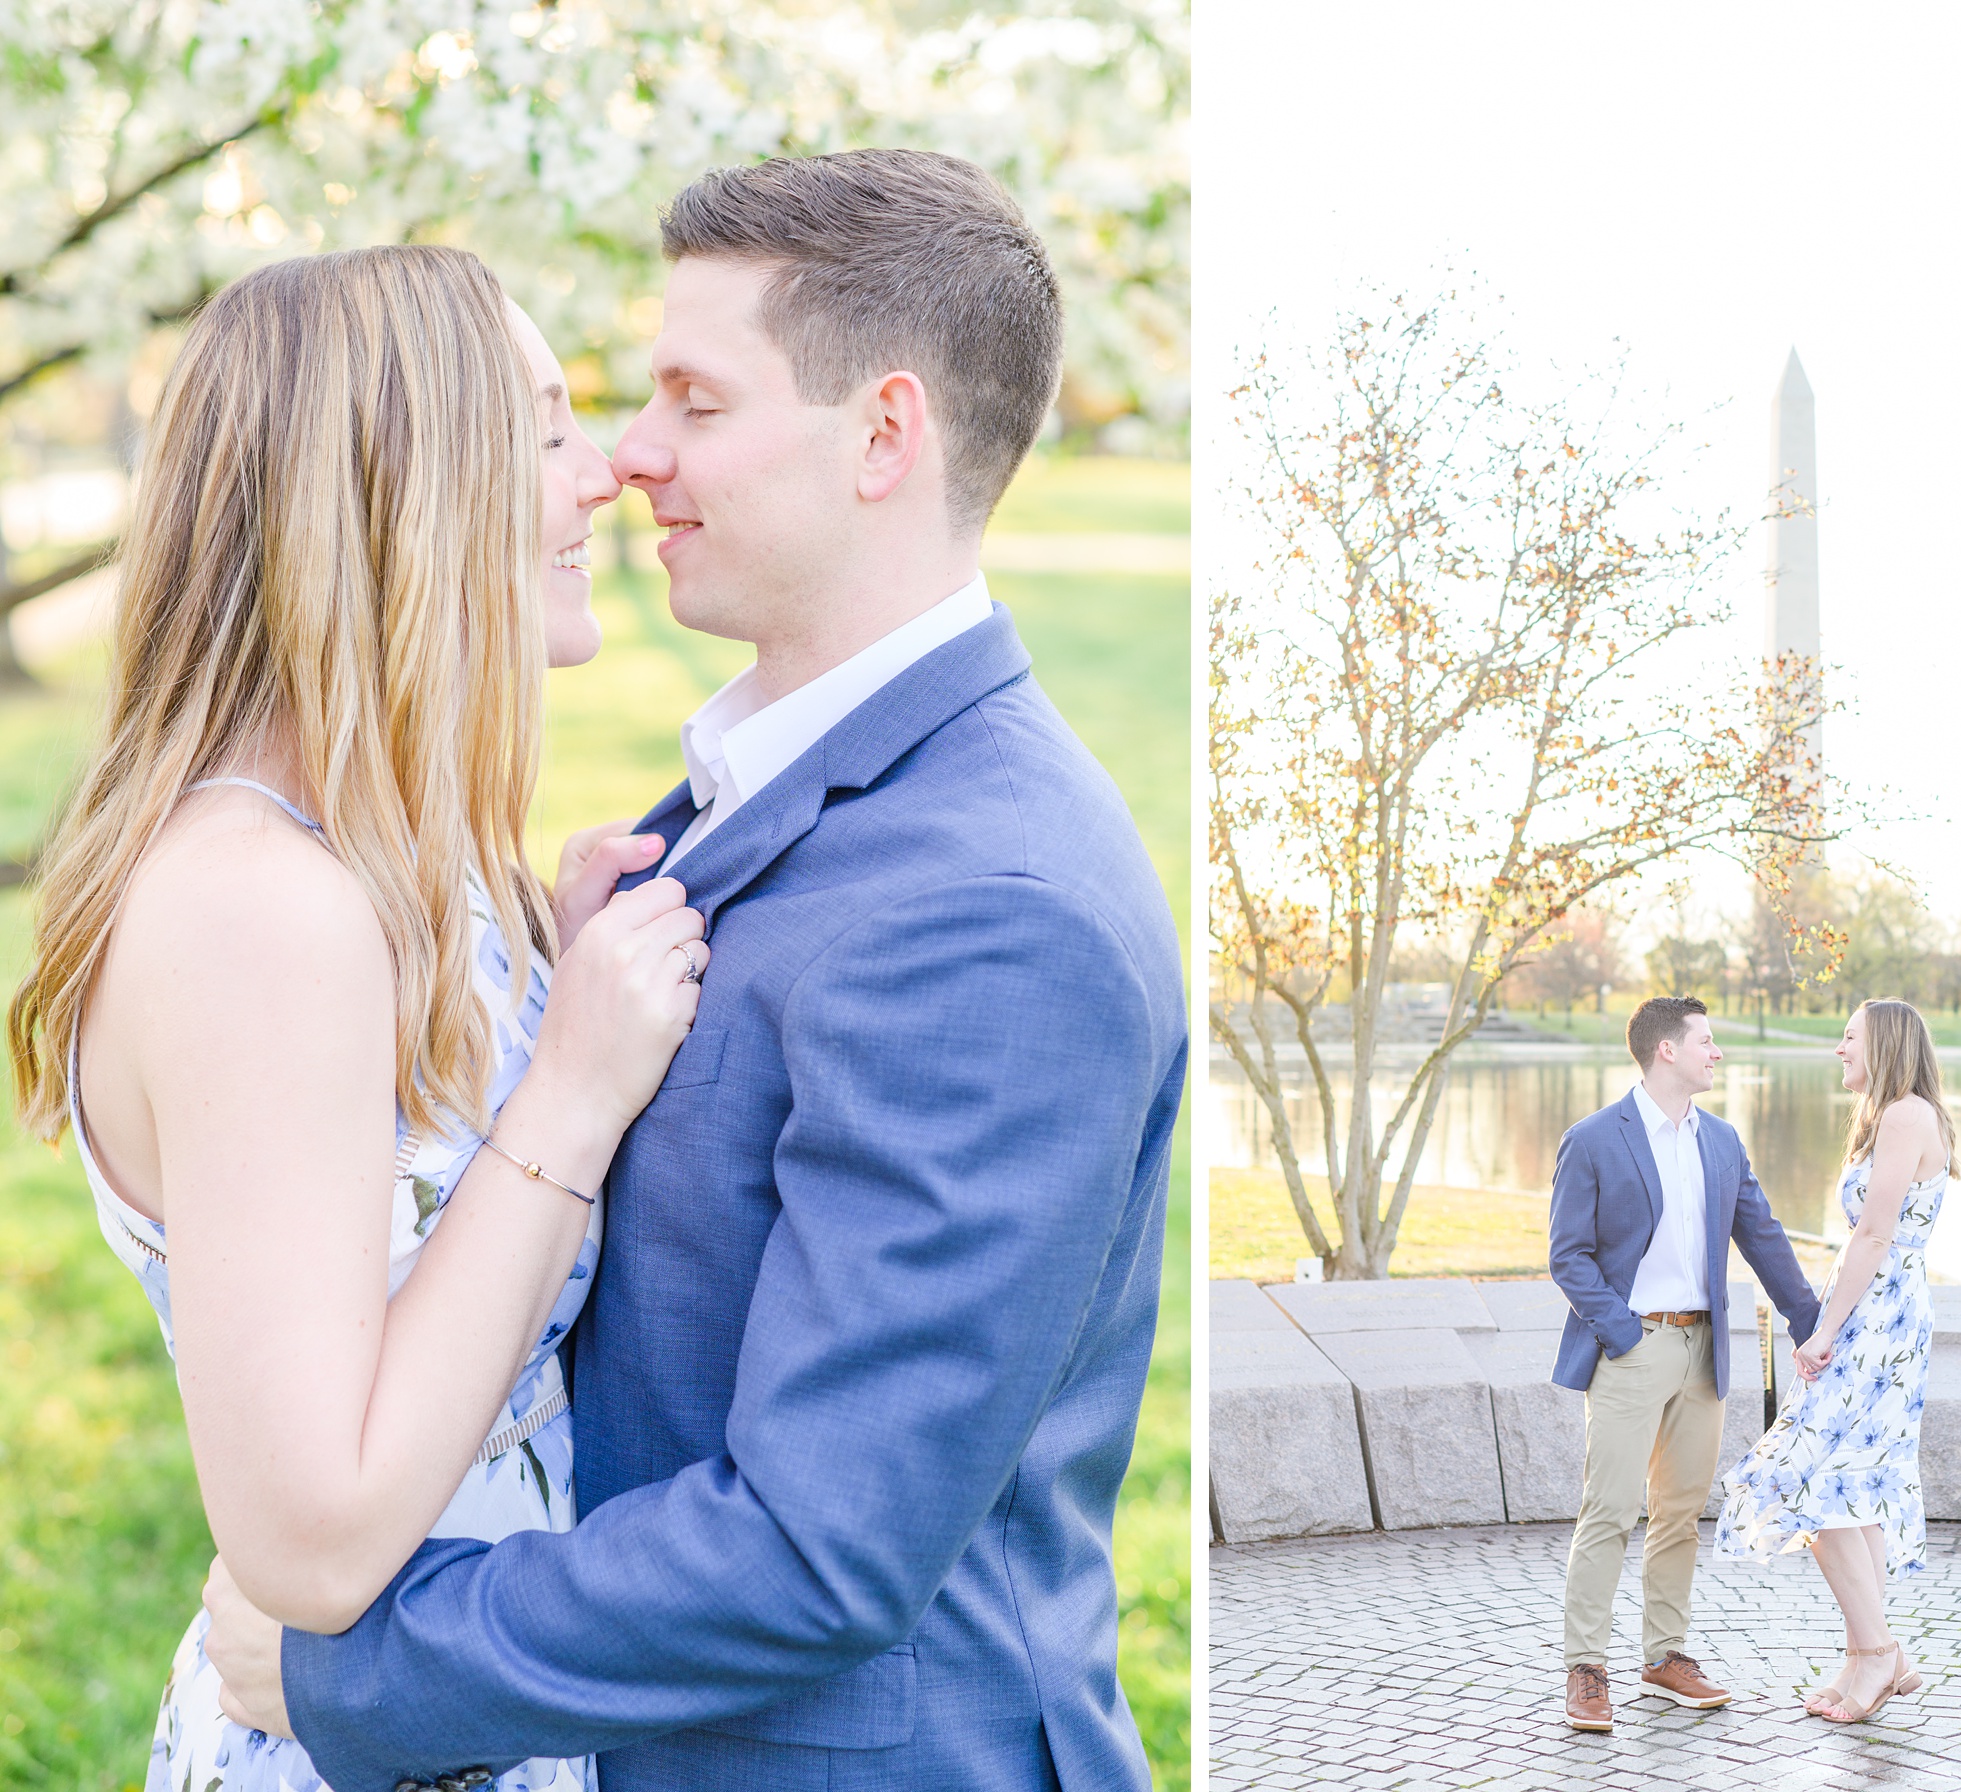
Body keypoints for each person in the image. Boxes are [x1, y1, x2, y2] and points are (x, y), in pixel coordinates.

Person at [203, 149, 1185, 1792]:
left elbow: (820, 1546)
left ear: (884, 434)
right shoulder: (749, 797)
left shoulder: (997, 910)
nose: (630, 455)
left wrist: (355, 1668)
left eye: (694, 402)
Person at [4, 245, 702, 1792]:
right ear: (401, 491)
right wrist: (569, 1094)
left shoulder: (396, 862)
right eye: (541, 430)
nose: (604, 476)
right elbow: (313, 1539)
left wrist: (539, 968)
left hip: (466, 1710)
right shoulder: (257, 909)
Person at [1547, 994, 1823, 1733]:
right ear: (1665, 1049)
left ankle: (1665, 1655)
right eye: (1706, 1040)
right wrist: (1621, 1333)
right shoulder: (1595, 1139)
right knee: (1608, 1510)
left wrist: (1812, 1322)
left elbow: (1763, 1236)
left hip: (1706, 1352)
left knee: (1677, 1514)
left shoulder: (1723, 1142)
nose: (1716, 1052)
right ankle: (1587, 1667)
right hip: (1632, 1348)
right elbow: (1567, 1257)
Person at [1714, 998, 1952, 1723]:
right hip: (1874, 1311)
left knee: (1810, 1476)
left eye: (1848, 1037)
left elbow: (1874, 1235)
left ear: (1882, 1043)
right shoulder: (1889, 1117)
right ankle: (1866, 1656)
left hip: (1878, 1318)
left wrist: (1825, 1331)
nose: (1838, 1048)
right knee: (1849, 1484)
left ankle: (1879, 1655)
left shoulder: (1907, 1113)